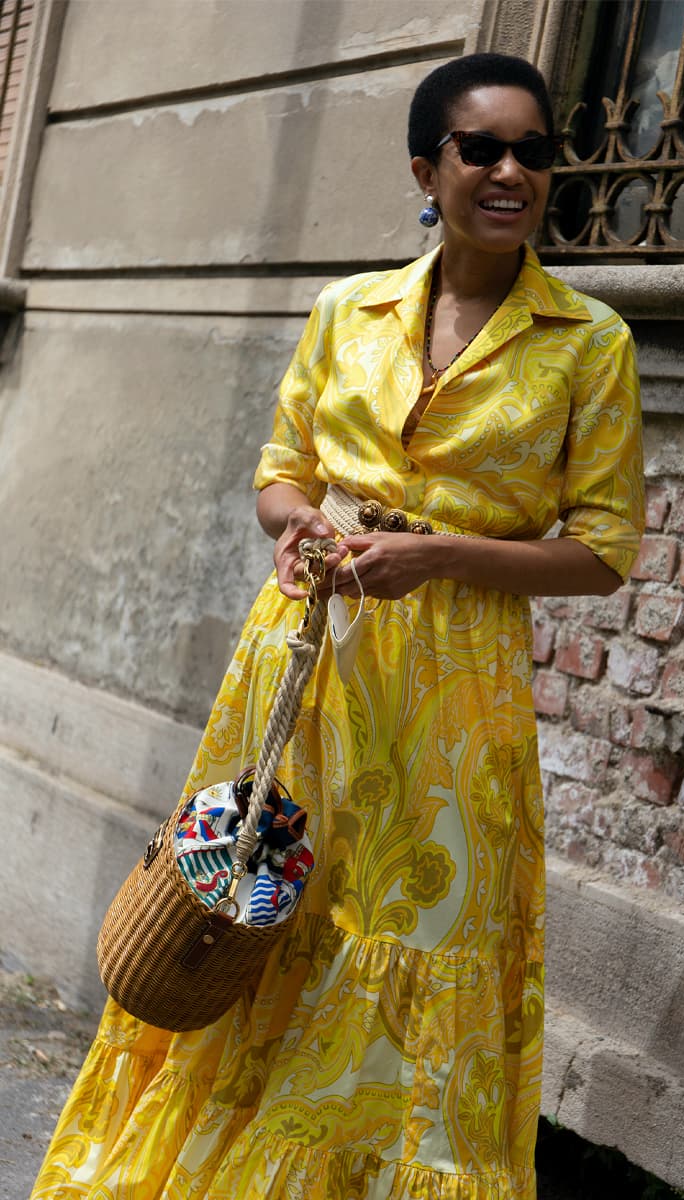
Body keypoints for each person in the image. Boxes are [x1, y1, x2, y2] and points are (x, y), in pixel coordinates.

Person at [32, 52, 643, 1200]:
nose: (510, 170)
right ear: (429, 167)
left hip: (452, 697)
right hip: (302, 661)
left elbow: (604, 553)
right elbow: (279, 471)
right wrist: (298, 523)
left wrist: (441, 556)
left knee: (413, 938)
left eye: (533, 151)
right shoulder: (344, 310)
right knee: (255, 914)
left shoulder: (589, 343)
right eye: (482, 148)